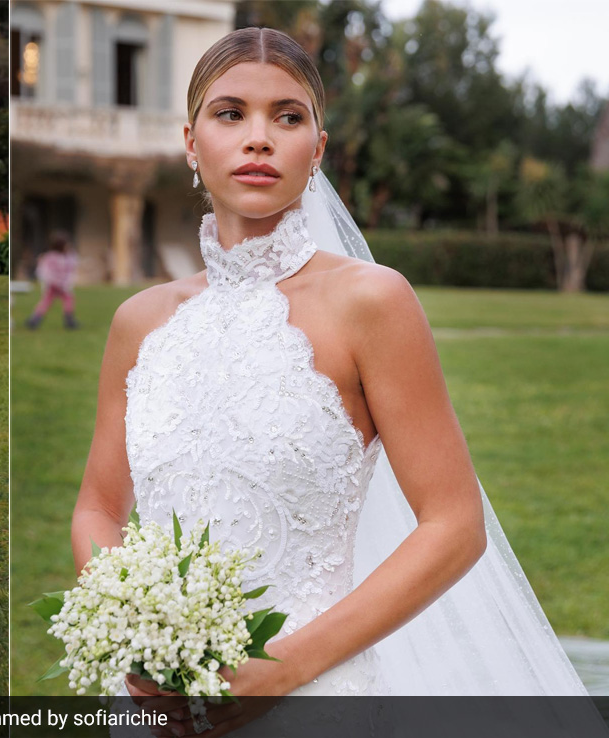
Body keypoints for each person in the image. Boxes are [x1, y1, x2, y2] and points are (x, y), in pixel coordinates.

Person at [69, 27, 598, 735]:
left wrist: (281, 670)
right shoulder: (139, 322)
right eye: (231, 114)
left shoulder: (372, 303)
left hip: (312, 698)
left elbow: (454, 525)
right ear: (191, 142)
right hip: (154, 701)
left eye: (288, 117)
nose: (259, 138)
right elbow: (98, 510)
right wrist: (141, 630)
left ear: (316, 150)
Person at [26, 231, 80, 330]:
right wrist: (55, 281)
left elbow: (72, 266)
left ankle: (35, 319)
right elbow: (45, 271)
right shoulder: (52, 257)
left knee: (48, 300)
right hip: (55, 284)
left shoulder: (65, 256)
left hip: (60, 284)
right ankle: (69, 320)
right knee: (67, 299)